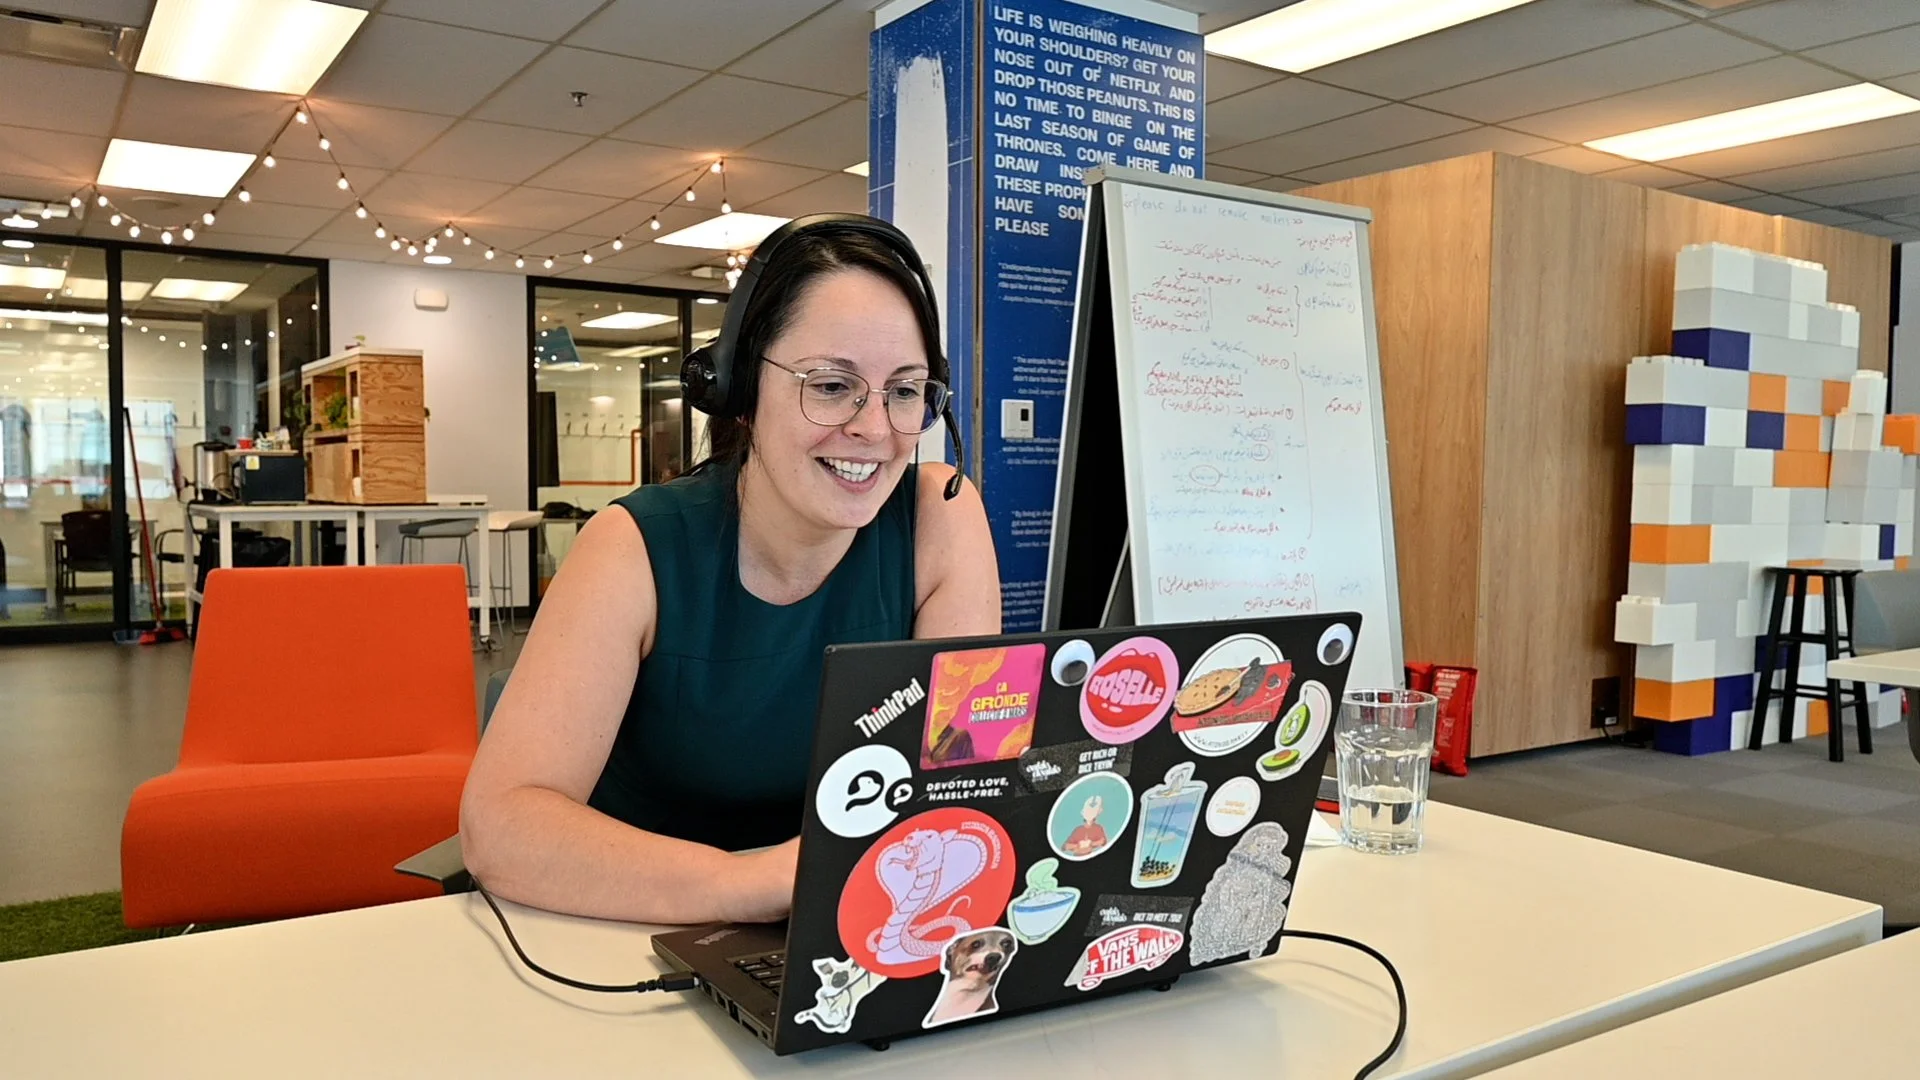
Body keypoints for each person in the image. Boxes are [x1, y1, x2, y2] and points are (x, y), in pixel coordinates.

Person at [460, 216, 1001, 926]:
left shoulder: (944, 521)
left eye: (904, 391)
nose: (875, 428)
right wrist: (753, 882)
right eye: (833, 386)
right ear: (740, 388)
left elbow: (961, 779)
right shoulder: (633, 546)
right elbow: (501, 827)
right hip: (623, 936)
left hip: (853, 928)